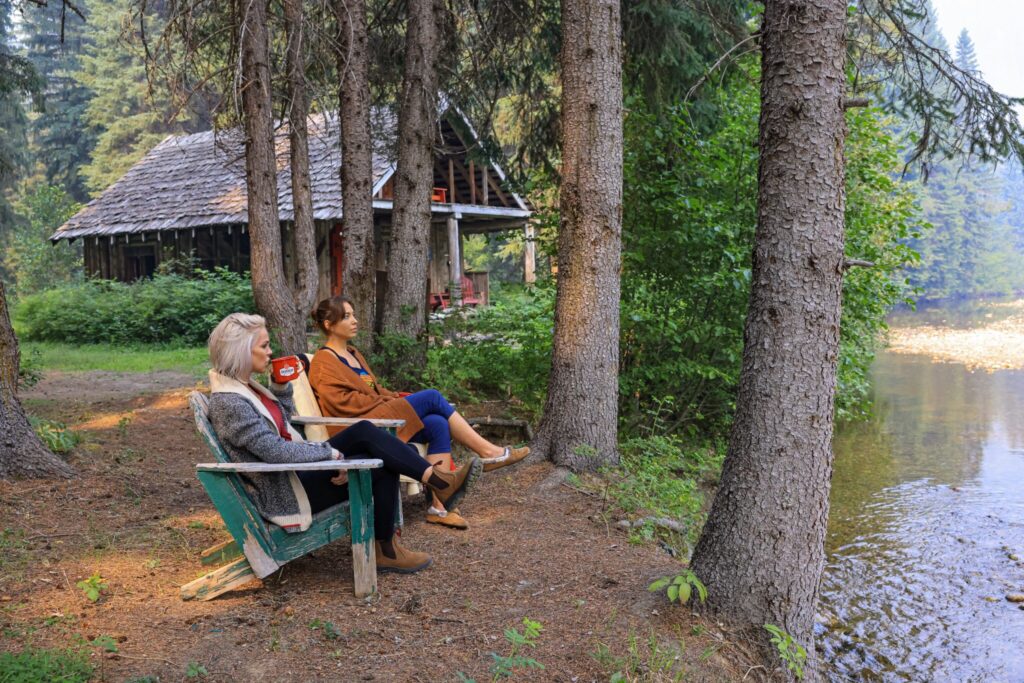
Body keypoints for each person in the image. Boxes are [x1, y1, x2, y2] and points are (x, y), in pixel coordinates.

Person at [205, 312, 479, 574]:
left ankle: (431, 492)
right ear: (242, 351)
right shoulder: (230, 403)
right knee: (382, 459)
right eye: (264, 346)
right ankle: (396, 537)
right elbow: (274, 451)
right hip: (286, 491)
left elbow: (282, 427)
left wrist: (279, 388)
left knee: (371, 435)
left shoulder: (247, 389)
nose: (270, 352)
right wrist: (331, 455)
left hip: (292, 473)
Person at [307, 295, 530, 530]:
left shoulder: (353, 353)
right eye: (346, 316)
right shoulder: (323, 361)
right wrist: (387, 401)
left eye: (353, 314)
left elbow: (374, 388)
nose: (354, 320)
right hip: (357, 424)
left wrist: (392, 397)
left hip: (376, 411)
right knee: (432, 397)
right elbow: (341, 402)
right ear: (329, 324)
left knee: (436, 423)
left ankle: (440, 507)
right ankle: (489, 453)